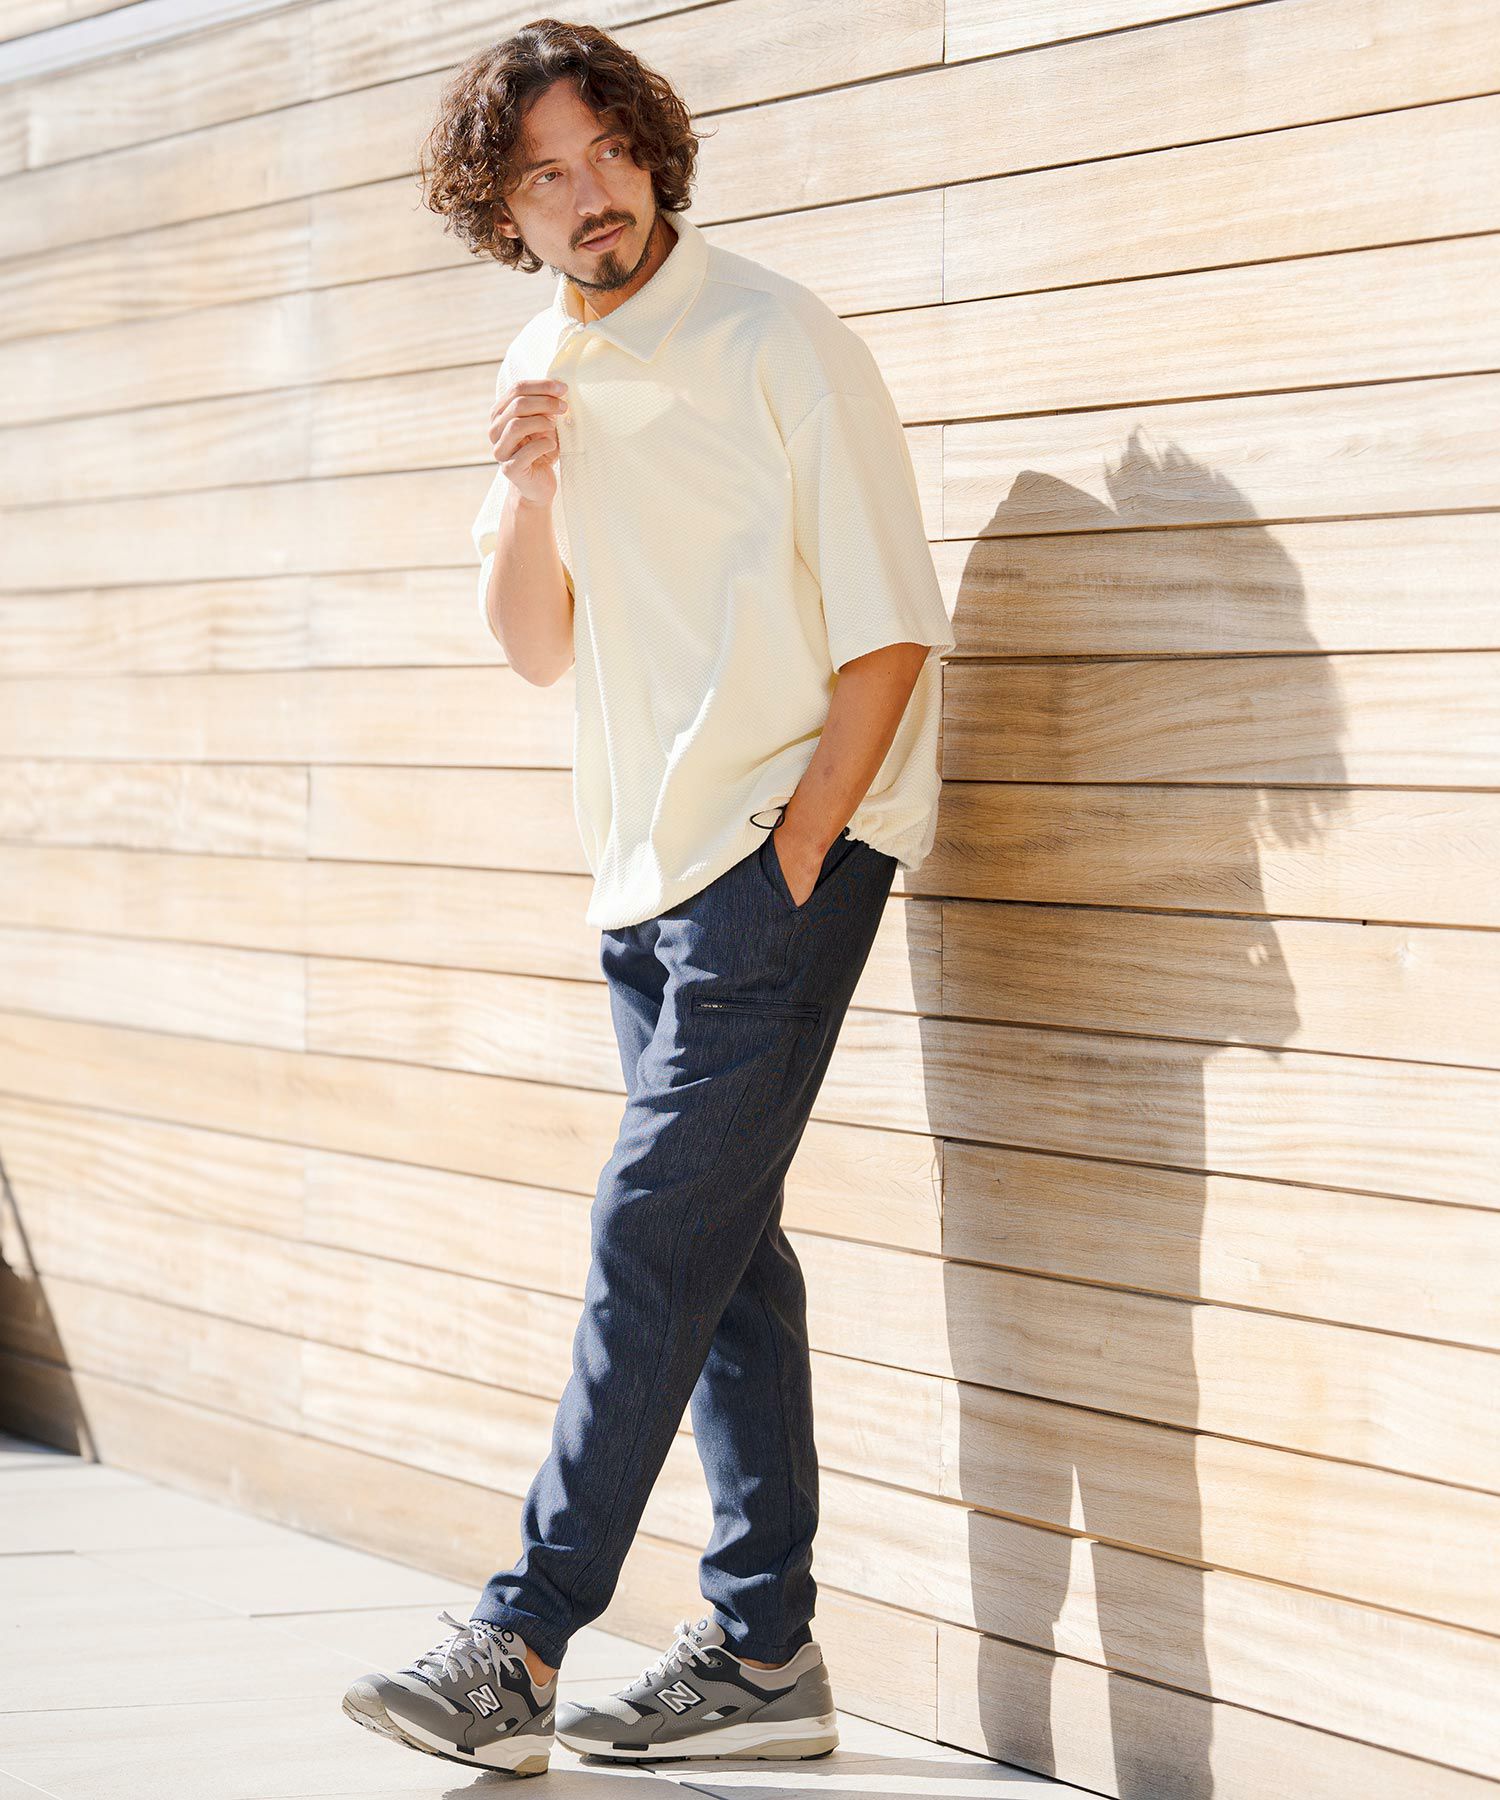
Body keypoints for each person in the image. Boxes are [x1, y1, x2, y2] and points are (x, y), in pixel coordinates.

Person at [341, 16, 955, 1777]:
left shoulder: (776, 334)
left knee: (648, 1232)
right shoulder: (544, 358)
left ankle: (520, 1640)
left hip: (772, 858)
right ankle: (763, 1657)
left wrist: (804, 839)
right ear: (502, 209)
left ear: (653, 151)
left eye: (608, 151)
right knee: (723, 1260)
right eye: (546, 173)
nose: (590, 193)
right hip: (643, 878)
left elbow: (890, 619)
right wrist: (525, 485)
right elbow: (535, 646)